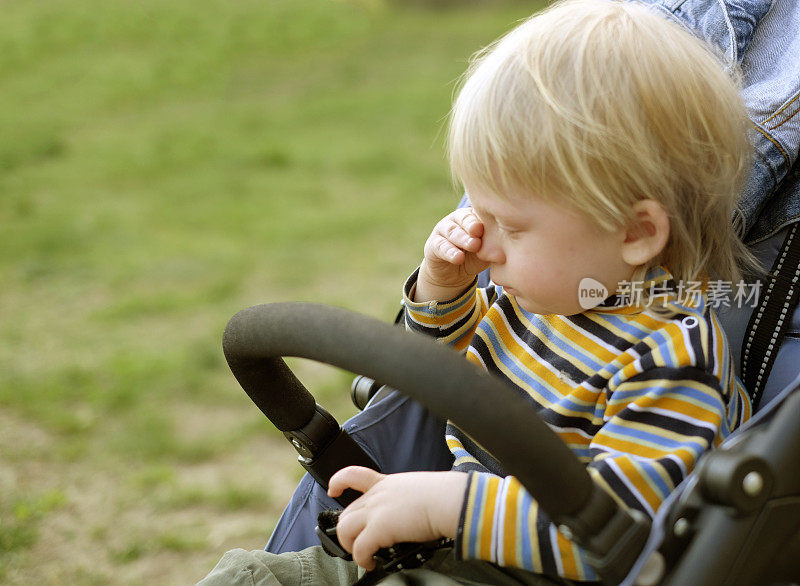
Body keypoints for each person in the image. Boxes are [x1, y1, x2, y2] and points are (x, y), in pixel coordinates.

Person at [199, 0, 758, 583]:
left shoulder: (670, 360)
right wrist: (443, 288)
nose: (486, 247)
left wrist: (449, 506)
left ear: (637, 232)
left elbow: (620, 534)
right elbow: (435, 370)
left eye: (512, 227)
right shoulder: (551, 292)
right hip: (454, 544)